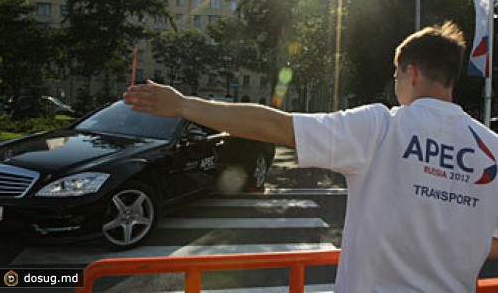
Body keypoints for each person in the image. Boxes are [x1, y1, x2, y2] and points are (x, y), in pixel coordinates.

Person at [123, 21, 498, 292]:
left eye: (396, 75)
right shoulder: (491, 149)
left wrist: (183, 105)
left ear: (411, 73)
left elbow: (276, 127)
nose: (395, 84)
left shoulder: (381, 127)